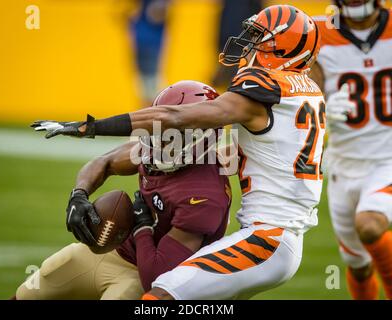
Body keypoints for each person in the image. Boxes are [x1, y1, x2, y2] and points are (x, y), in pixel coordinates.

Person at [32, 4, 325, 300]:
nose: (248, 43)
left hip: (267, 237)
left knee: (159, 297)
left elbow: (175, 117)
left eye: (259, 37)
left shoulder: (264, 90)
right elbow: (260, 153)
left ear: (282, 48)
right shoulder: (305, 91)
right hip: (274, 236)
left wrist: (91, 127)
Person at [17, 81, 231, 299]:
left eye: (172, 134)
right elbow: (105, 161)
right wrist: (79, 195)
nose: (160, 142)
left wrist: (142, 227)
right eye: (160, 131)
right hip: (117, 252)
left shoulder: (204, 197)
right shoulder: (153, 152)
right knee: (37, 285)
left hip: (145, 277)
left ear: (204, 137)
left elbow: (157, 278)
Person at [311, 0, 392, 300]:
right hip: (344, 164)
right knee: (357, 265)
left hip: (388, 158)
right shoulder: (317, 33)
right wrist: (320, 108)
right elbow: (302, 97)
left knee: (369, 225)